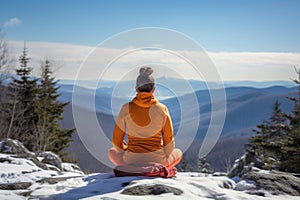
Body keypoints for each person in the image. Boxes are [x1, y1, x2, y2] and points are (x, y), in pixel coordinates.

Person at [108, 66, 182, 170]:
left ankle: (133, 166)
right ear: (153, 89)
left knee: (112, 152)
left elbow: (116, 142)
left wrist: (126, 149)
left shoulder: (126, 108)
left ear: (137, 89)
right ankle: (158, 167)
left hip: (131, 160)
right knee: (178, 153)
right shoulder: (162, 109)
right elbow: (169, 142)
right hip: (158, 160)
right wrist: (162, 155)